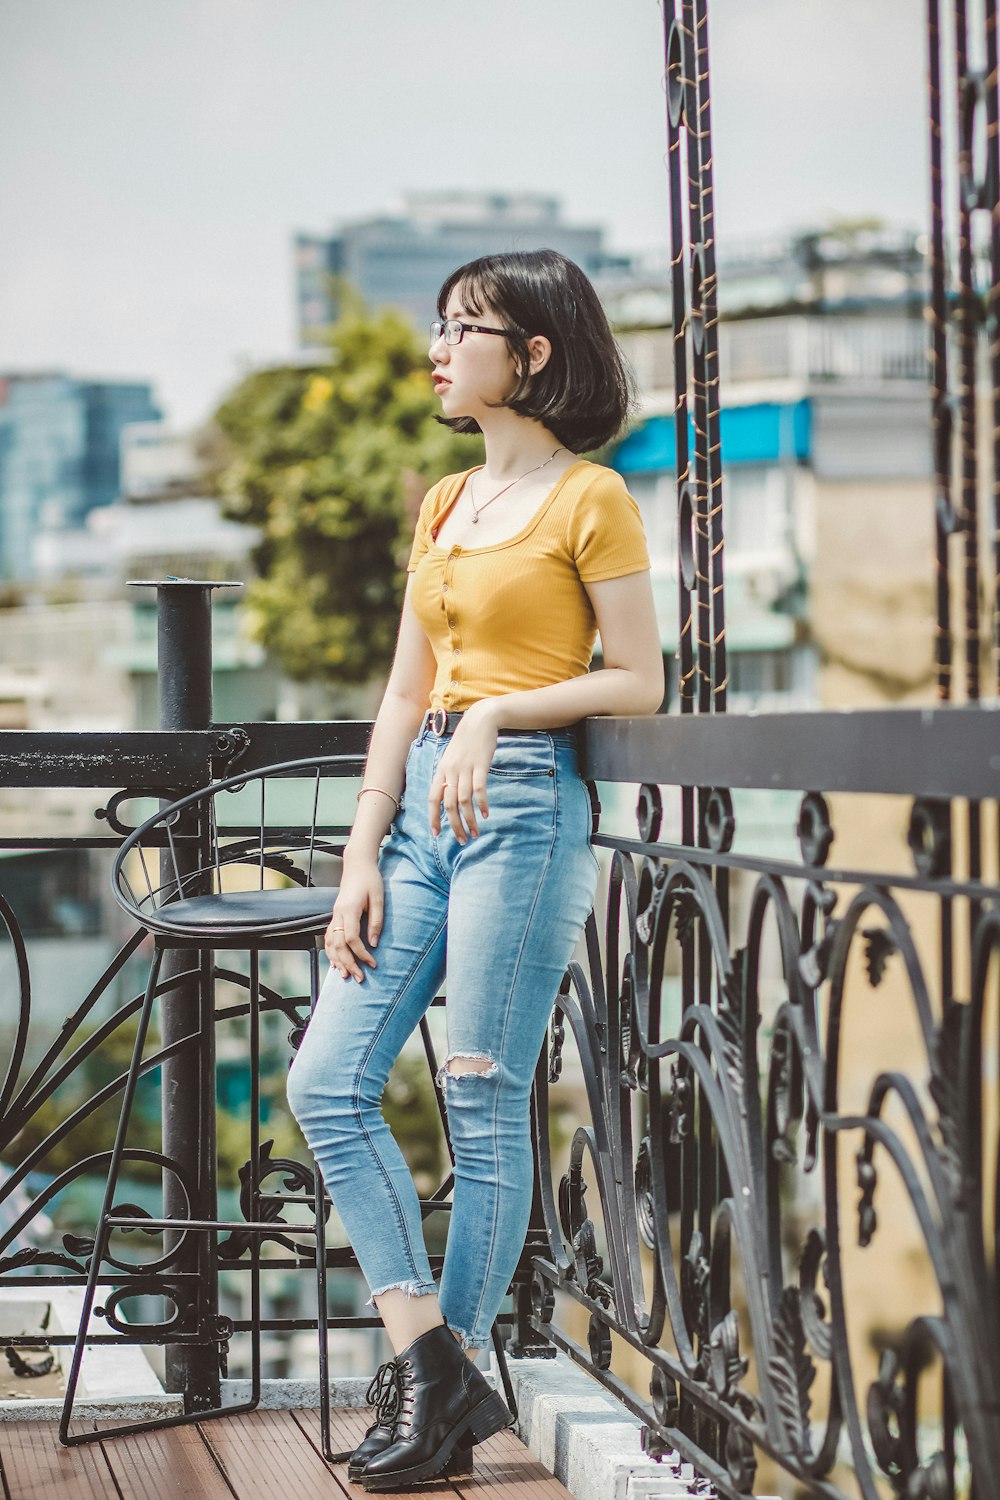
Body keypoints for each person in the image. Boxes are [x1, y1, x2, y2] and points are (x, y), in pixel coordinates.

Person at [286, 248, 663, 1492]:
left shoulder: (591, 497)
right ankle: (436, 1365)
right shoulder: (444, 500)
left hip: (522, 807)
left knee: (482, 1088)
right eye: (440, 327)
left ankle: (434, 1394)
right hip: (416, 824)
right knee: (327, 1080)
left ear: (533, 355)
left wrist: (501, 716)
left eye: (464, 328)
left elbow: (640, 681)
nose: (439, 350)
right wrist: (360, 849)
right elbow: (403, 687)